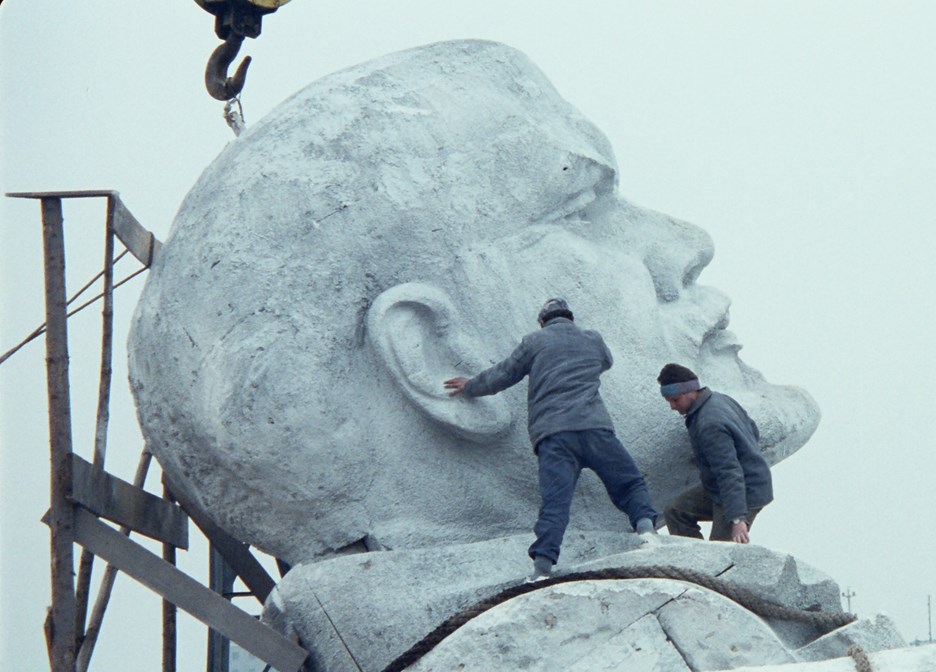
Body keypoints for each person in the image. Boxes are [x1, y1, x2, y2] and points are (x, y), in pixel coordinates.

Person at [128, 40, 819, 567]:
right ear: (430, 352)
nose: (687, 246)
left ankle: (599, 543)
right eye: (581, 211)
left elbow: (512, 372)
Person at [444, 298, 658, 580]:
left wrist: (470, 386)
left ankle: (542, 567)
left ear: (542, 321)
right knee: (628, 482)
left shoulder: (534, 341)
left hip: (554, 435)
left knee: (555, 502)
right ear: (570, 318)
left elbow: (504, 374)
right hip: (595, 428)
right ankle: (646, 531)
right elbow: (606, 362)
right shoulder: (592, 339)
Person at [658, 363, 772, 544]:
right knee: (676, 511)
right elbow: (753, 430)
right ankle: (692, 561)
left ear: (690, 392)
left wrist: (737, 519)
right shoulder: (719, 399)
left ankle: (706, 568)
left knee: (720, 551)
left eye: (675, 400)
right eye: (669, 401)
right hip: (719, 488)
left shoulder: (709, 424)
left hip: (744, 492)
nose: (672, 406)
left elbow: (729, 472)